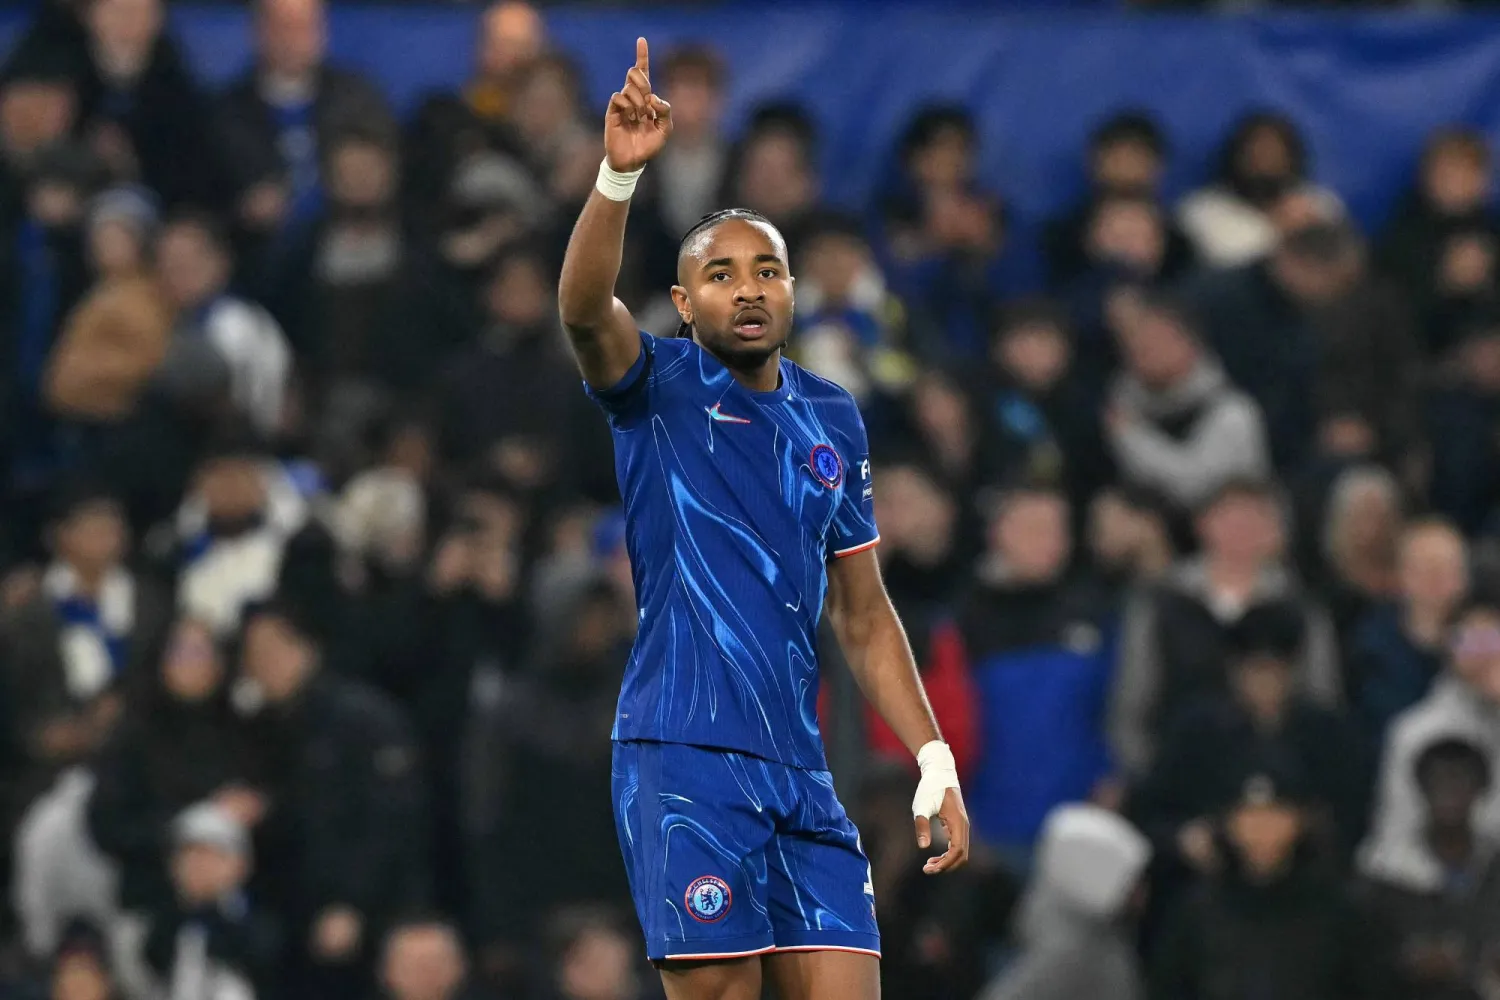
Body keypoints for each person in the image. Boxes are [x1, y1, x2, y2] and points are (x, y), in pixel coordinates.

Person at [555, 38, 969, 1000]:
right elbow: (581, 307)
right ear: (684, 304)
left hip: (803, 766)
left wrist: (933, 758)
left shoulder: (833, 415)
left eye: (767, 269)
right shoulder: (656, 384)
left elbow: (862, 614)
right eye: (722, 273)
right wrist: (618, 176)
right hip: (684, 751)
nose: (748, 286)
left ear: (791, 290)